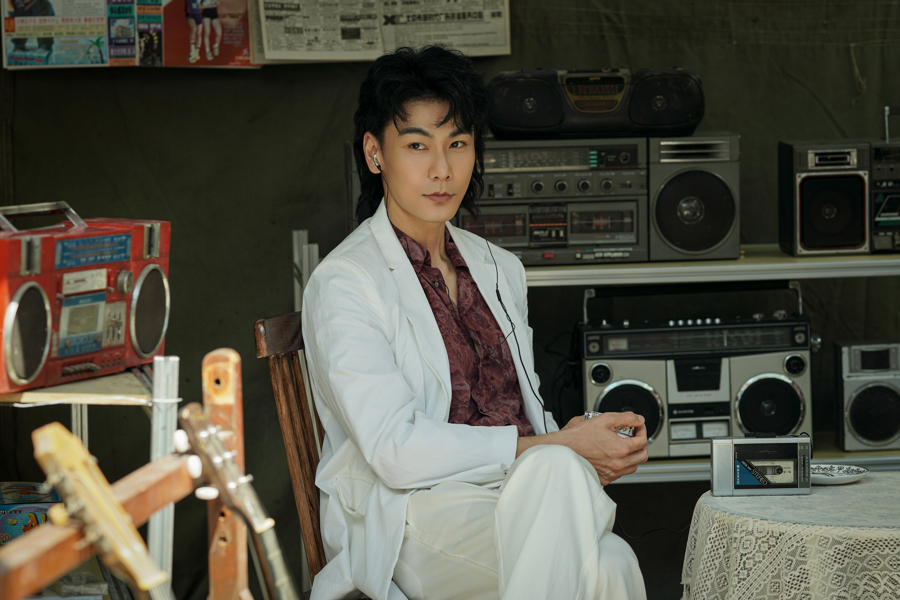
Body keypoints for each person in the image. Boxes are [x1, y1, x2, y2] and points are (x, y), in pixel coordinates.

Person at [301, 45, 649, 600]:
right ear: (374, 152)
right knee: (577, 505)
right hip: (413, 514)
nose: (442, 169)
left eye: (458, 144)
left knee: (610, 559)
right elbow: (394, 451)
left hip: (519, 492)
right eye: (417, 145)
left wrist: (585, 441)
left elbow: (523, 410)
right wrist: (559, 448)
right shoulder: (345, 282)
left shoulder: (498, 267)